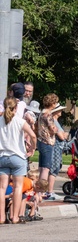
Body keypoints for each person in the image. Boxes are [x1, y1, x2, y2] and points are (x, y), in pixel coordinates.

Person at [0, 96, 36, 224]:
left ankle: (1, 217)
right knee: (18, 187)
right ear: (16, 108)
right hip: (18, 156)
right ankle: (15, 217)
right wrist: (32, 148)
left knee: (2, 188)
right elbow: (32, 135)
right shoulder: (20, 121)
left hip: (2, 156)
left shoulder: (0, 120)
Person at [36, 94, 70, 200]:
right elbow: (53, 129)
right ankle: (41, 191)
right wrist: (56, 130)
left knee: (41, 167)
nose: (55, 105)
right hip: (48, 142)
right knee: (46, 168)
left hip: (41, 141)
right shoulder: (48, 115)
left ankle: (39, 190)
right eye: (55, 102)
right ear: (52, 103)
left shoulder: (41, 113)